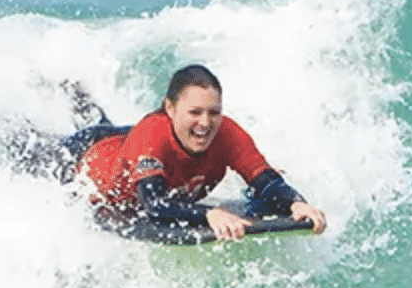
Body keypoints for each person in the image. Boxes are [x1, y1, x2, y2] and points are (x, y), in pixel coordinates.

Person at [54, 65, 327, 241]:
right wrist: (210, 214)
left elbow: (265, 180)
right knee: (33, 149)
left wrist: (296, 202)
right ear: (170, 108)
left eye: (214, 112)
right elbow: (155, 204)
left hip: (126, 142)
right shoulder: (151, 136)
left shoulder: (228, 134)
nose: (206, 124)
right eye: (195, 112)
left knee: (105, 124)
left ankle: (77, 94)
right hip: (86, 157)